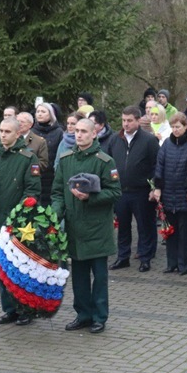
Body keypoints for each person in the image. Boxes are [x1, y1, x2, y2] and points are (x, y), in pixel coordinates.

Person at [52, 118, 121, 334]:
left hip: (97, 229)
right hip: (74, 228)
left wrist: (89, 198)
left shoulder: (104, 161)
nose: (79, 134)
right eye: (76, 131)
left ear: (94, 134)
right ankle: (83, 315)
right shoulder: (65, 159)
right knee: (79, 277)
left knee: (99, 277)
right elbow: (57, 193)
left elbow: (115, 192)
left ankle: (99, 317)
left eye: (83, 131)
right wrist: (54, 216)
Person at [0, 117, 41, 326]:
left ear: (17, 134)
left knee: (20, 270)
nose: (3, 135)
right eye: (1, 131)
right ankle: (10, 309)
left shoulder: (27, 158)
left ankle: (26, 310)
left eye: (7, 131)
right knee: (1, 268)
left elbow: (33, 190)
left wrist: (18, 213)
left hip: (18, 223)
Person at [109, 105, 159, 272]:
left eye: (130, 121)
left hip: (141, 191)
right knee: (123, 226)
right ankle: (123, 257)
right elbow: (109, 163)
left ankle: (145, 258)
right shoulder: (116, 139)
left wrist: (154, 186)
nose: (126, 124)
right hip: (121, 190)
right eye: (123, 120)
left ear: (138, 120)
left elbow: (156, 165)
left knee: (144, 226)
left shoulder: (149, 140)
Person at [153, 112, 187, 275]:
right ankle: (171, 263)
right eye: (173, 127)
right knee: (170, 232)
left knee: (184, 233)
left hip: (184, 195)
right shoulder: (167, 143)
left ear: (185, 127)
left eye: (178, 127)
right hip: (168, 194)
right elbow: (160, 164)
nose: (175, 130)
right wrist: (158, 187)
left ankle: (183, 265)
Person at [31, 102, 63, 205]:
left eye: (43, 111)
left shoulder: (59, 132)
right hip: (36, 175)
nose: (39, 114)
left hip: (52, 176)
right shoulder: (32, 132)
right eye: (38, 111)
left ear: (50, 114)